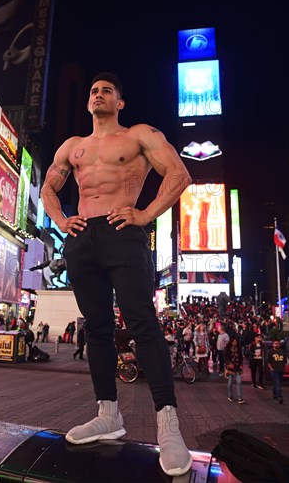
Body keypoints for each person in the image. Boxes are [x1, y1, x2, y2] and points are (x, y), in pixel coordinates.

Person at [41, 72, 192, 477]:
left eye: (107, 90)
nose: (98, 94)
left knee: (143, 324)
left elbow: (179, 175)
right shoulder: (73, 146)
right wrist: (61, 220)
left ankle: (168, 425)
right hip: (82, 238)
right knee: (97, 329)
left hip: (124, 232)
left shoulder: (139, 135)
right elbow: (48, 189)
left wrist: (144, 214)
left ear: (119, 103)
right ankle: (108, 413)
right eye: (93, 90)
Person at [224, 337, 245, 404]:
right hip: (230, 367)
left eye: (236, 342)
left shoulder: (238, 349)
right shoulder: (228, 349)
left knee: (239, 381)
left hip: (237, 367)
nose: (234, 343)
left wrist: (241, 364)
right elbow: (225, 357)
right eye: (233, 341)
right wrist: (228, 363)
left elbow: (241, 357)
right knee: (230, 382)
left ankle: (240, 397)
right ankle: (230, 396)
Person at [267, 339, 287, 404]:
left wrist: (284, 367)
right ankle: (280, 396)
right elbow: (268, 361)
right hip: (274, 370)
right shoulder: (270, 351)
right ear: (273, 344)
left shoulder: (282, 351)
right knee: (277, 383)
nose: (277, 344)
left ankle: (275, 394)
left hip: (281, 369)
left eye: (278, 343)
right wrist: (271, 368)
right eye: (275, 343)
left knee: (278, 383)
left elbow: (285, 360)